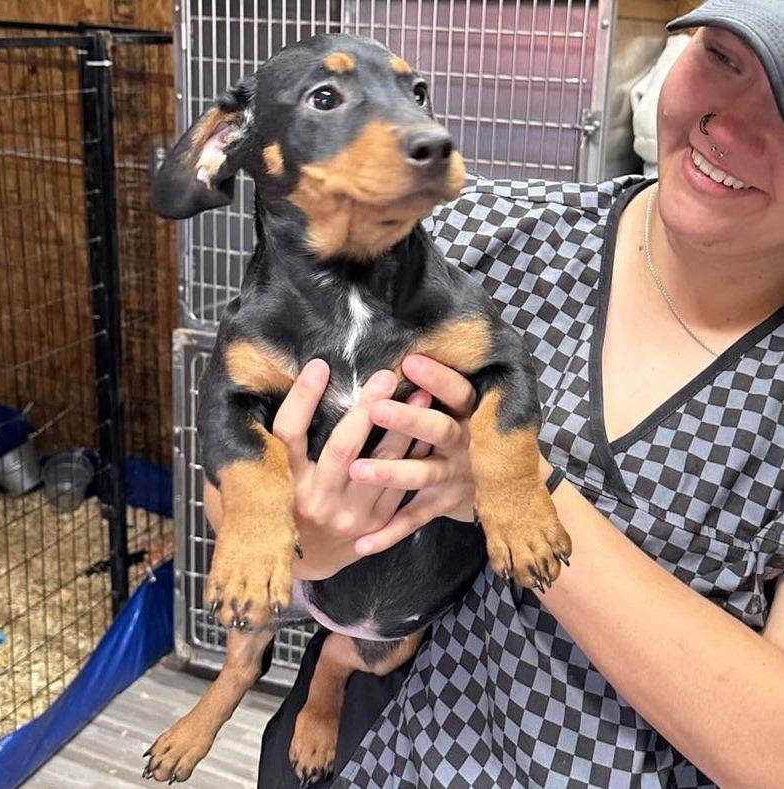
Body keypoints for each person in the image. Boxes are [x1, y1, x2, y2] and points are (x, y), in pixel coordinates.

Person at [204, 1, 784, 785]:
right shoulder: (457, 230)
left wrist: (494, 484)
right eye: (722, 57)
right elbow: (249, 489)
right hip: (371, 742)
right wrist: (316, 537)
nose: (732, 125)